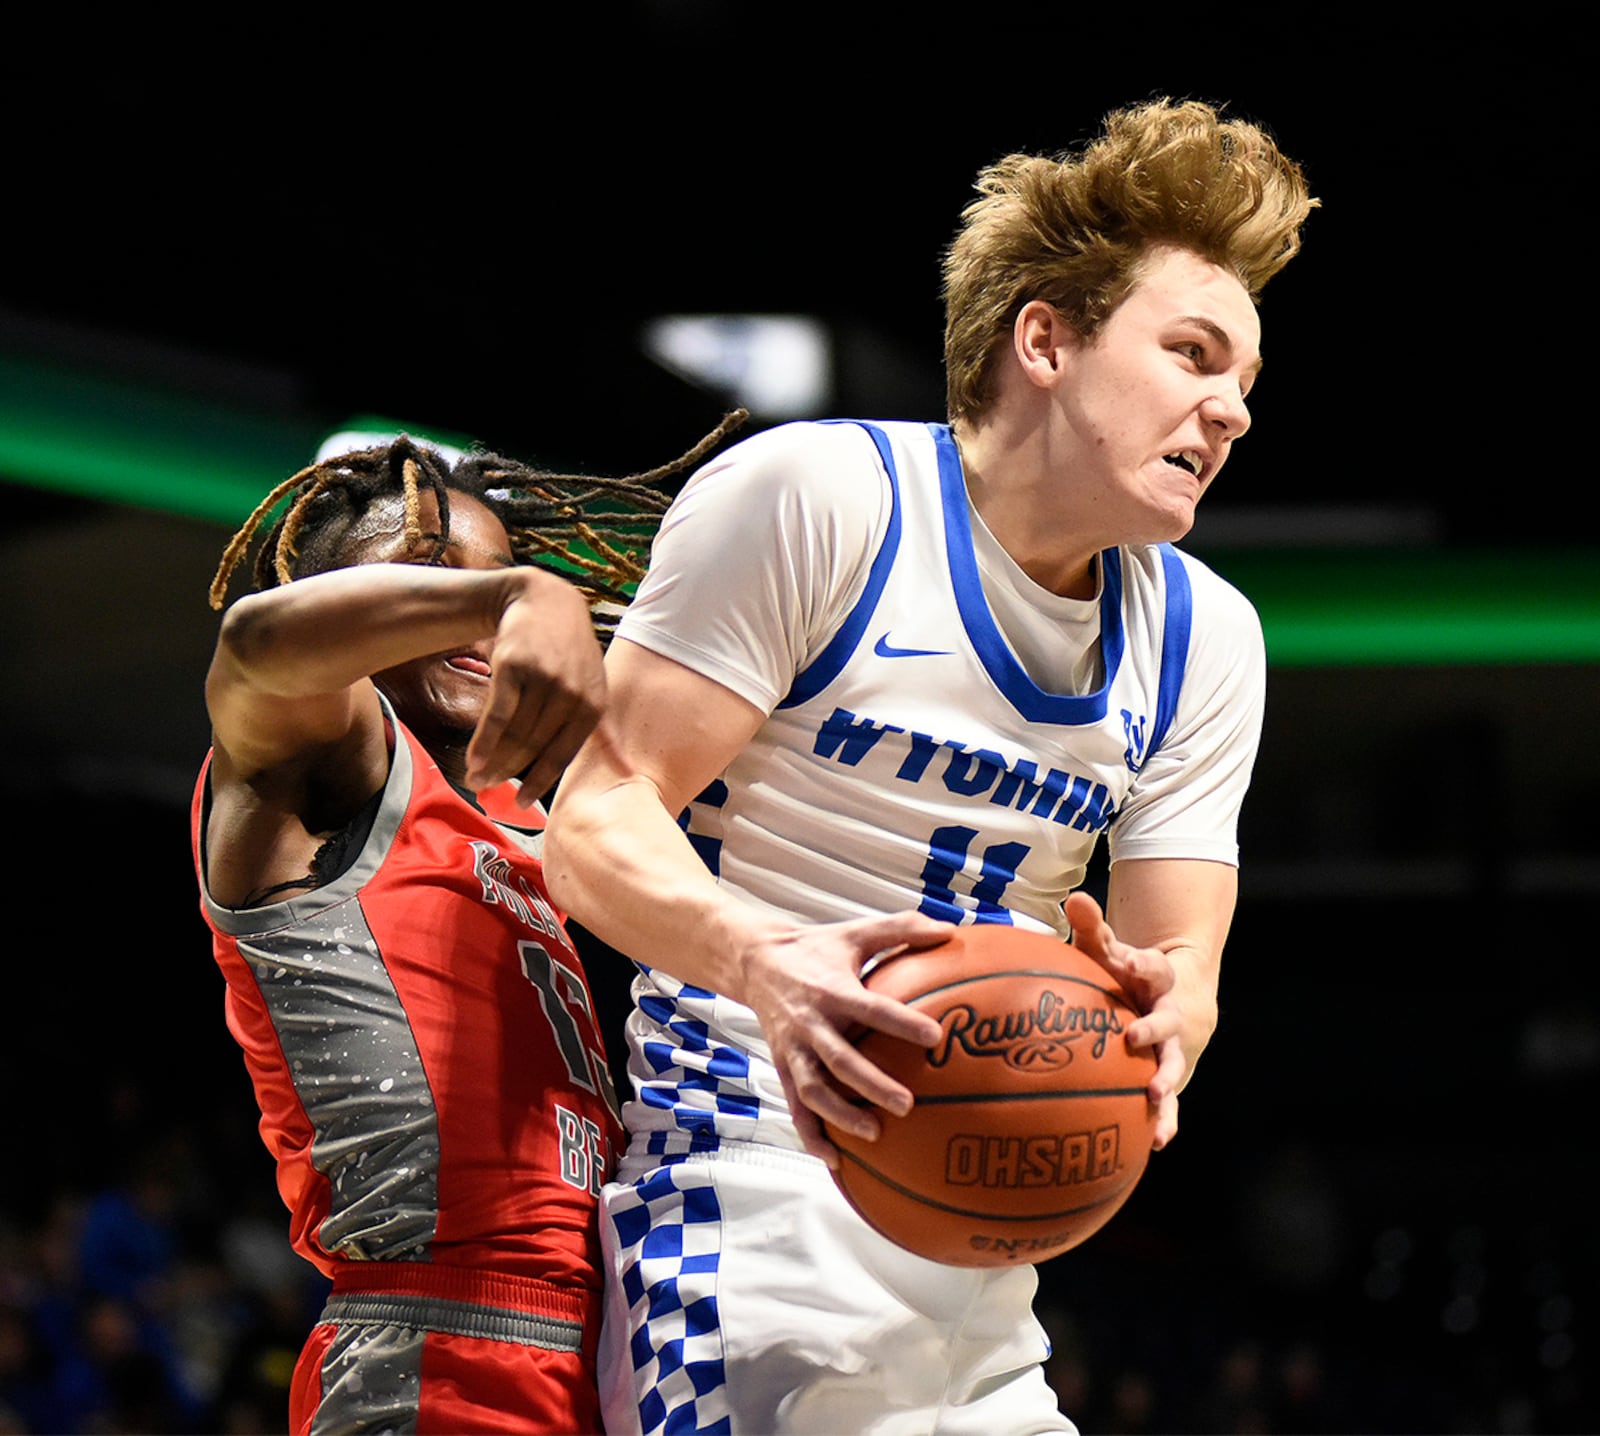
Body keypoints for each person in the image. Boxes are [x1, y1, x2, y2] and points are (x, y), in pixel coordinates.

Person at [543, 97, 1316, 1436]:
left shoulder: (1209, 639)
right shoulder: (818, 500)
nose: (1230, 409)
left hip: (987, 1245)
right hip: (747, 1197)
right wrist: (767, 966)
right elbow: (593, 822)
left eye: (1246, 379)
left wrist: (1161, 1020)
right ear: (1046, 341)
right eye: (1194, 355)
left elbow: (1181, 972)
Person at [191, 420, 739, 1434]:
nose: (478, 615)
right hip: (433, 1350)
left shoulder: (539, 821)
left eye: (496, 572)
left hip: (607, 1354)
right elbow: (253, 647)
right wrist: (520, 592)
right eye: (429, 574)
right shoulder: (313, 770)